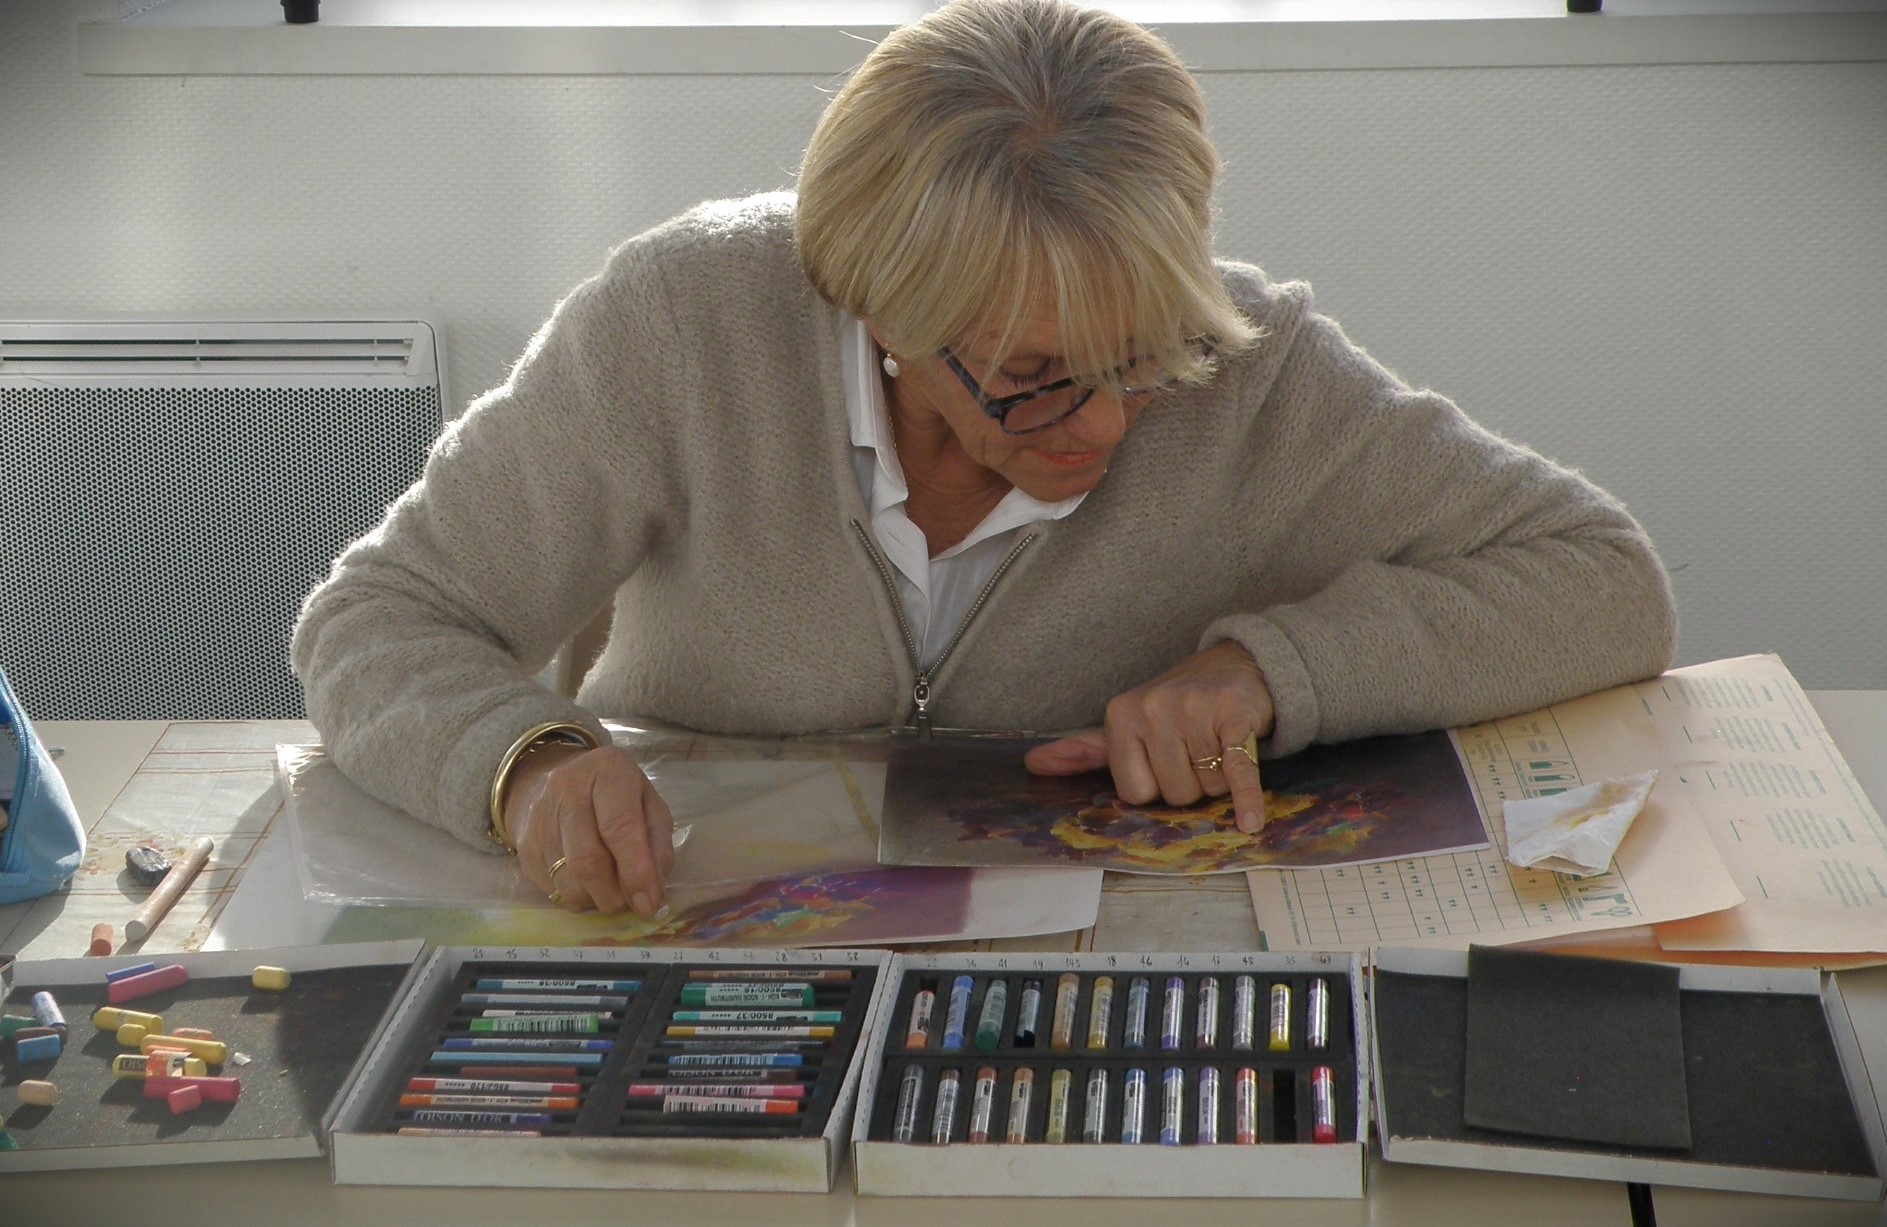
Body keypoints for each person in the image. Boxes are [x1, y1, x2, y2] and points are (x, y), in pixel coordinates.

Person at [291, 0, 1676, 919]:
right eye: (1030, 378)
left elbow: (1602, 577)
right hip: (693, 938)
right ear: (878, 310)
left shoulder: (1249, 366)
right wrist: (525, 761)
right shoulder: (683, 321)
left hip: (1071, 992)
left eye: (1147, 353)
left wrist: (1270, 671)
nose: (1112, 422)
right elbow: (374, 621)